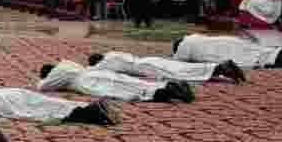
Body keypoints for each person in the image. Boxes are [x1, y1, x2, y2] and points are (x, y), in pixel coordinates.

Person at [0, 80, 119, 126]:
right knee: (50, 102)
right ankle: (90, 108)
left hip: (0, 100)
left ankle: (90, 114)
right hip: (13, 92)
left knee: (38, 112)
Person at [37, 60, 195, 103]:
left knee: (124, 90)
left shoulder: (58, 72)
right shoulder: (68, 64)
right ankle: (168, 86)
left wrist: (42, 80)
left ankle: (169, 92)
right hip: (98, 74)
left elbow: (43, 87)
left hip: (90, 82)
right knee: (130, 82)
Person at [87, 51, 245, 84]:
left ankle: (221, 68)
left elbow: (92, 72)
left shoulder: (105, 62)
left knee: (182, 73)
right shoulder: (112, 53)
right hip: (148, 60)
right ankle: (220, 69)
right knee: (182, 67)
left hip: (146, 67)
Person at [171, 34, 282, 69]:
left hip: (222, 52)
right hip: (228, 42)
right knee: (257, 51)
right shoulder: (192, 37)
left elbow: (178, 61)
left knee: (255, 58)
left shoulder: (185, 45)